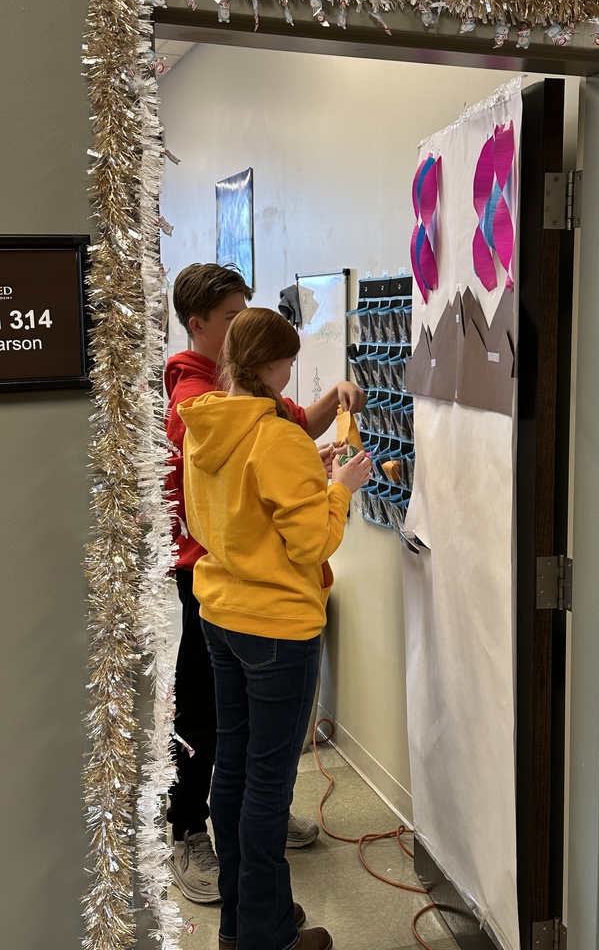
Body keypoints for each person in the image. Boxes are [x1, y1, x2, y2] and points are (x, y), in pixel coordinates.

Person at [165, 263, 367, 904]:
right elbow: (306, 535)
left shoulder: (220, 410)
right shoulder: (192, 397)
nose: (236, 328)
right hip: (260, 607)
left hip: (223, 594)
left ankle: (241, 905)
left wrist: (308, 459)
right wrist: (336, 491)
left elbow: (266, 454)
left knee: (240, 750)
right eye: (230, 317)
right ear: (198, 324)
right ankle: (209, 851)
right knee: (232, 741)